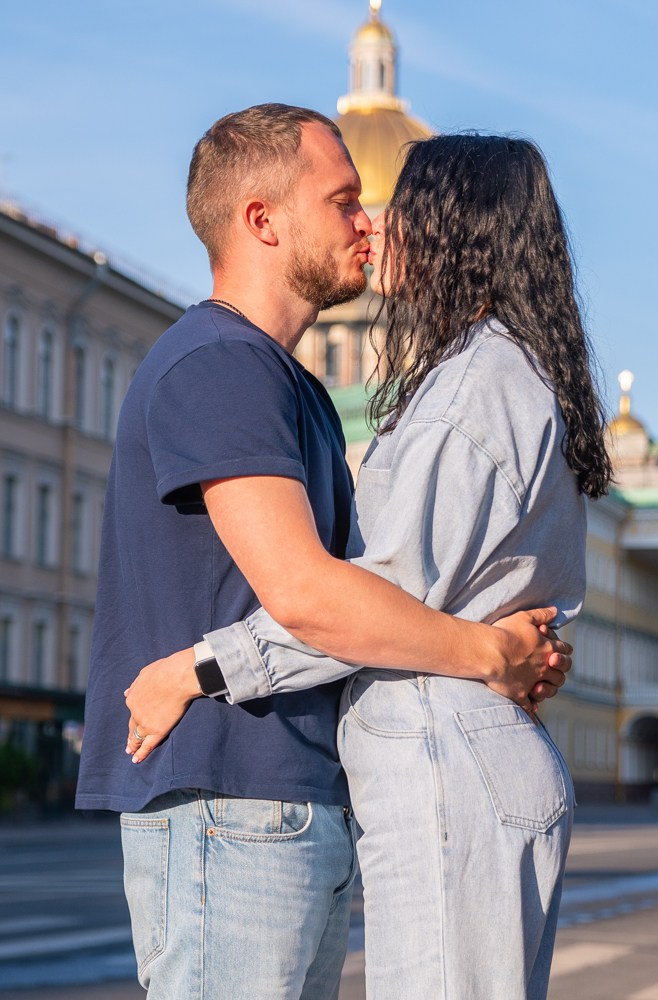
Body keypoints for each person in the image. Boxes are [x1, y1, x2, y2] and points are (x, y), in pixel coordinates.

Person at [77, 105, 570, 1000]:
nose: (369, 221)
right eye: (344, 199)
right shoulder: (216, 364)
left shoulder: (288, 384)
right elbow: (311, 595)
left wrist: (507, 643)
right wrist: (485, 653)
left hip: (292, 804)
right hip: (228, 800)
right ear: (263, 221)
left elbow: (380, 592)